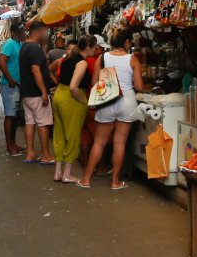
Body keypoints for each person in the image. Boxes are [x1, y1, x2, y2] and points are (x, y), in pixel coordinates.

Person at [77, 29, 147, 191]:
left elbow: (95, 82)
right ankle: (115, 181)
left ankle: (86, 179)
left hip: (108, 100)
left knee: (99, 142)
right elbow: (139, 86)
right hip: (127, 102)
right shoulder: (133, 59)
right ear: (127, 43)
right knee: (120, 142)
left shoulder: (102, 58)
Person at [51, 37, 96, 183]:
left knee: (59, 135)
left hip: (59, 95)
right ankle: (67, 174)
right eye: (94, 47)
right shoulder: (82, 63)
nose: (96, 50)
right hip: (71, 99)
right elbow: (73, 87)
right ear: (88, 47)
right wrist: (84, 101)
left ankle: (58, 173)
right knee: (73, 136)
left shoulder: (67, 58)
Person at [18, 23, 54, 165]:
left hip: (27, 93)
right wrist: (44, 92)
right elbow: (36, 71)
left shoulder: (25, 47)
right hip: (37, 93)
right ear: (37, 32)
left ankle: (31, 154)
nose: (46, 35)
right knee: (43, 124)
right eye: (45, 32)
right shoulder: (34, 49)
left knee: (30, 122)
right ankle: (45, 155)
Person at [0, 23, 23, 156]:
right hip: (9, 85)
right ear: (13, 32)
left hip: (16, 85)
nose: (22, 33)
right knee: (10, 115)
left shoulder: (20, 44)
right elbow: (1, 62)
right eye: (19, 31)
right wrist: (10, 79)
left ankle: (13, 143)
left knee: (14, 116)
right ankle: (9, 147)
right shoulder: (9, 43)